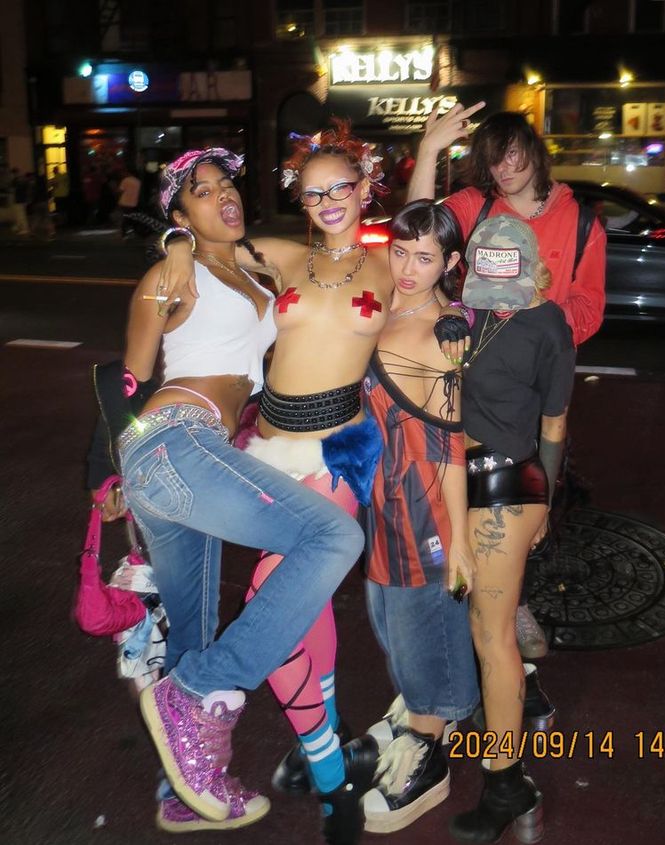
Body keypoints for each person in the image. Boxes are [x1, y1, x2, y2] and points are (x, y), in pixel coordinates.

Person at [89, 148, 367, 841]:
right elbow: (126, 380)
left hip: (199, 457)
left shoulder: (249, 265)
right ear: (178, 215)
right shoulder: (168, 274)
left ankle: (186, 787)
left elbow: (333, 255)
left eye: (227, 186)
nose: (223, 197)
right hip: (172, 440)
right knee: (332, 537)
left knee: (191, 633)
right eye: (201, 193)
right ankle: (197, 695)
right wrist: (104, 474)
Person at [159, 122, 402, 841]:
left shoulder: (393, 264)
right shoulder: (287, 256)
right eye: (314, 189)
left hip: (337, 453)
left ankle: (326, 771)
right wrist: (176, 242)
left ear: (365, 189)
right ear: (301, 197)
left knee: (274, 589)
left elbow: (433, 260)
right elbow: (211, 239)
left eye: (342, 187)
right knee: (303, 613)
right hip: (266, 444)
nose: (328, 200)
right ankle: (320, 754)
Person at [409, 106, 607, 660]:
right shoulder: (477, 207)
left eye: (514, 153)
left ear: (534, 151)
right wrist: (429, 150)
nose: (504, 167)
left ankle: (510, 599)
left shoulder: (581, 219)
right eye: (493, 158)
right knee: (457, 492)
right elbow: (418, 228)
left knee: (533, 496)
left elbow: (589, 305)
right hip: (469, 371)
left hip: (534, 380)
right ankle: (470, 593)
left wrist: (536, 328)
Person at [446, 214, 574, 843]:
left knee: (492, 635)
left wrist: (545, 497)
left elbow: (553, 426)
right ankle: (519, 715)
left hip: (506, 484)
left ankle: (507, 782)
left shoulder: (547, 324)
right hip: (453, 481)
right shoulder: (464, 313)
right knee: (475, 628)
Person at [358, 199, 478, 833]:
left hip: (423, 506)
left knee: (419, 621)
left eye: (425, 257)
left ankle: (428, 749)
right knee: (385, 614)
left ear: (450, 263)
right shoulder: (387, 302)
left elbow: (453, 443)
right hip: (380, 500)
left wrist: (458, 541)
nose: (407, 266)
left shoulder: (444, 332)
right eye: (399, 252)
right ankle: (417, 704)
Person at [116, 164, 142, 237]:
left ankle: (124, 232)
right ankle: (134, 231)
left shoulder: (125, 180)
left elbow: (120, 191)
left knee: (126, 217)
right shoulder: (138, 182)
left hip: (124, 202)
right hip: (134, 202)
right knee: (132, 217)